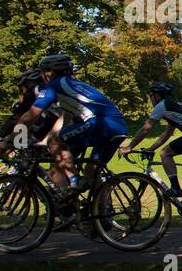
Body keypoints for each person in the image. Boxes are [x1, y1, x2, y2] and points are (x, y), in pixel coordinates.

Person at [15, 54, 127, 198]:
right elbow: (65, 120)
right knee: (91, 171)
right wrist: (47, 140)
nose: (42, 75)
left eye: (43, 71)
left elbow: (30, 116)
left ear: (51, 72)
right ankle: (102, 214)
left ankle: (74, 180)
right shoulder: (74, 86)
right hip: (118, 126)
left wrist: (14, 140)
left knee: (55, 142)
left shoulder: (54, 86)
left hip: (99, 123)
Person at [119, 81, 182, 199]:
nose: (150, 99)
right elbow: (168, 133)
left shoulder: (162, 105)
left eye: (151, 96)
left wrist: (129, 147)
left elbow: (146, 128)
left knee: (165, 153)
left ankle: (176, 188)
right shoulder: (174, 105)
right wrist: (151, 149)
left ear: (157, 95)